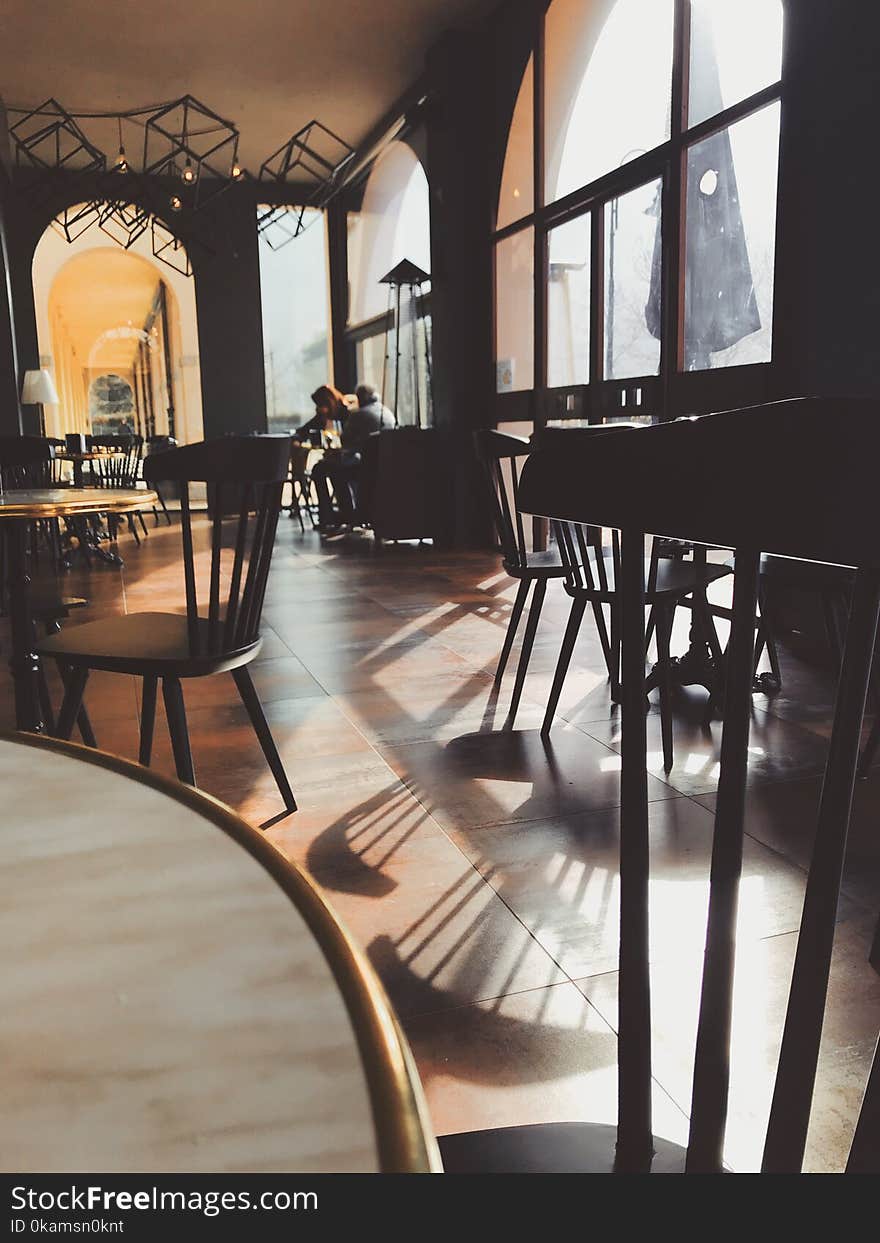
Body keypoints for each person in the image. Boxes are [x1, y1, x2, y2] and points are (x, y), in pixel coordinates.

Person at [312, 384, 395, 531]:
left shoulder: (359, 415)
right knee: (338, 469)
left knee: (323, 469)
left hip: (365, 467)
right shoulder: (387, 412)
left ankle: (335, 515)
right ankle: (349, 514)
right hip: (386, 465)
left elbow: (346, 441)